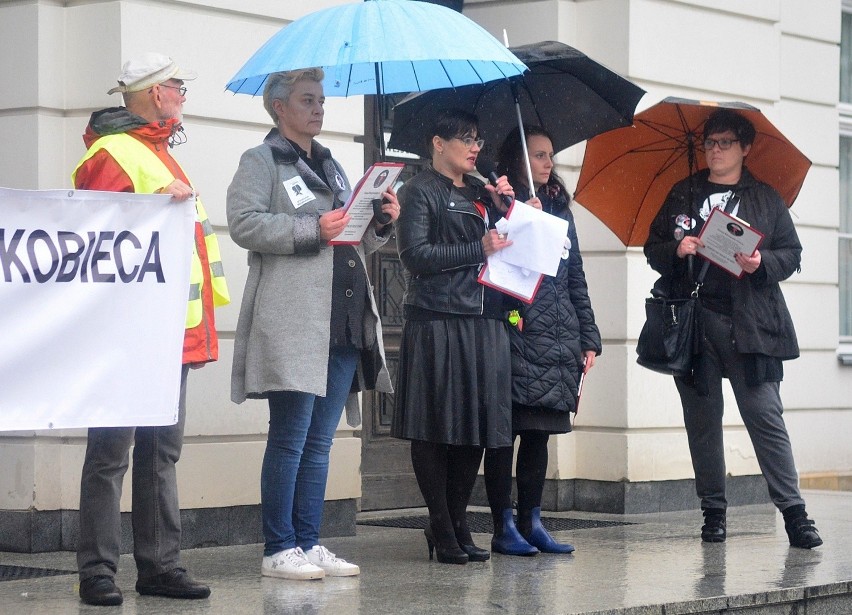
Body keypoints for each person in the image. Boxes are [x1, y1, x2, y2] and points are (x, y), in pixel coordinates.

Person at [71, 52, 230, 606]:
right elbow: (92, 232)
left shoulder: (157, 150)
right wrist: (151, 208)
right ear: (157, 94)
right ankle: (97, 571)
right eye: (179, 88)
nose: (184, 97)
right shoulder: (117, 151)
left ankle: (159, 566)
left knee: (160, 451)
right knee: (112, 451)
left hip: (168, 329)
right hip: (127, 330)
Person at [227, 68, 397, 581]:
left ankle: (308, 540)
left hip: (343, 315)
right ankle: (279, 547)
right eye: (308, 100)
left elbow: (351, 237)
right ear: (279, 106)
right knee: (291, 435)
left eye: (321, 100)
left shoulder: (333, 165)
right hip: (296, 318)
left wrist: (381, 220)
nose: (319, 108)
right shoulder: (261, 161)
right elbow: (244, 223)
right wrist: (310, 228)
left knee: (322, 441)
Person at [644, 108, 822, 549]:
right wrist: (677, 248)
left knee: (765, 417)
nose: (715, 150)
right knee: (702, 422)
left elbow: (792, 253)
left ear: (745, 148)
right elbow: (653, 247)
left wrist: (762, 263)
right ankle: (713, 513)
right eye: (710, 143)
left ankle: (795, 515)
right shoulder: (682, 192)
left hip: (751, 325)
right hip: (694, 325)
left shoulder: (764, 198)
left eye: (725, 143)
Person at [391, 108, 515, 565]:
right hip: (438, 316)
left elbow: (510, 247)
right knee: (435, 426)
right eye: (464, 138)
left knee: (476, 428)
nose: (474, 146)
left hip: (486, 316)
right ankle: (440, 524)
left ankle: (458, 520)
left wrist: (515, 212)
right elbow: (415, 255)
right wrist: (475, 247)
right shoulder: (420, 189)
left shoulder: (485, 192)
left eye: (477, 138)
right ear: (438, 144)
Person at [482, 125, 602, 556]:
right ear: (517, 160)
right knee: (505, 434)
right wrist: (516, 218)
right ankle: (503, 525)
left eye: (550, 154)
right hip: (515, 330)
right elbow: (497, 273)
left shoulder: (560, 209)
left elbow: (575, 276)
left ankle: (533, 520)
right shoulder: (498, 202)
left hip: (558, 336)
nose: (548, 162)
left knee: (539, 435)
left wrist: (588, 335)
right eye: (538, 155)